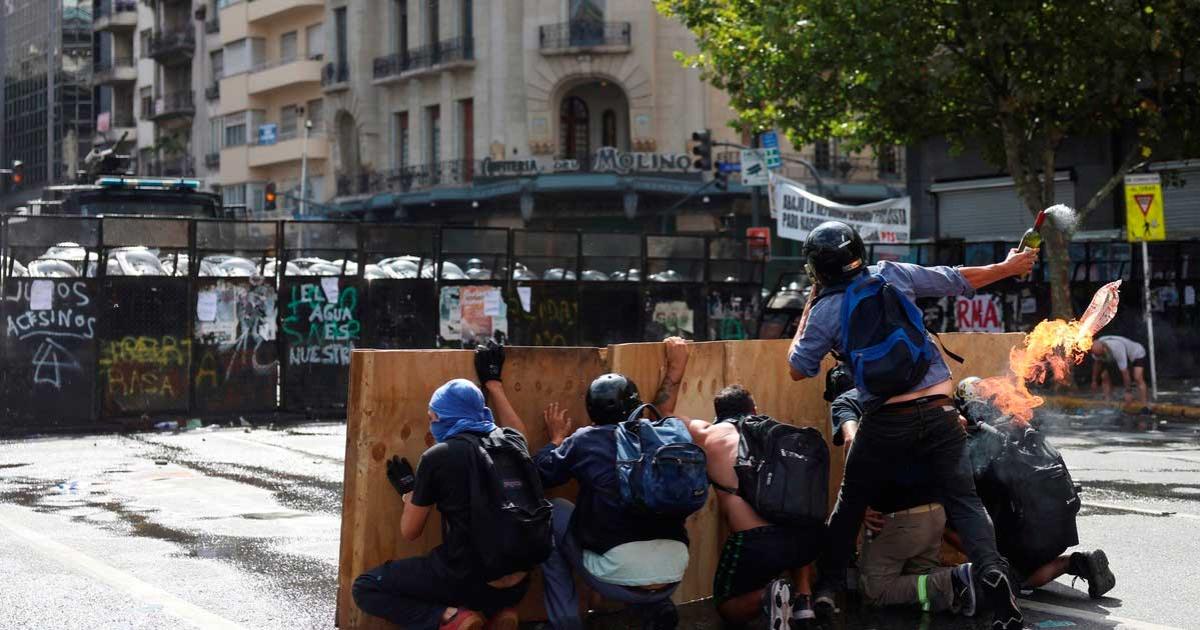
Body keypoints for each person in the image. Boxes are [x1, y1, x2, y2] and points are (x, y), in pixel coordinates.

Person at [787, 220, 1038, 630]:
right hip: (940, 409)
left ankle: (829, 588)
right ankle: (992, 574)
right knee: (965, 501)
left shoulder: (825, 309)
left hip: (886, 419)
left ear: (818, 269)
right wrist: (1008, 267)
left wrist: (808, 309)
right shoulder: (889, 273)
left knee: (850, 503)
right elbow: (955, 280)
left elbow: (798, 368)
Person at [491, 337, 693, 630]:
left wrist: (556, 441)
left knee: (551, 511)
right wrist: (674, 374)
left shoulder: (587, 440)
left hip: (617, 577)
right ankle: (656, 606)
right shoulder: (665, 433)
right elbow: (662, 408)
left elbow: (537, 475)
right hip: (674, 574)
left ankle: (566, 623)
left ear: (591, 411)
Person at [352, 341, 543, 630]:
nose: (432, 425)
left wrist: (410, 491)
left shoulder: (439, 456)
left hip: (467, 579)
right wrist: (493, 383)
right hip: (520, 581)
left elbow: (410, 532)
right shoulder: (513, 443)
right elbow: (518, 431)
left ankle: (452, 617)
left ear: (443, 417)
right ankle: (500, 611)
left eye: (433, 418)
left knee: (366, 587)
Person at [826, 369, 978, 617]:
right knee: (919, 581)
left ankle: (954, 579)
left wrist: (857, 504)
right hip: (935, 514)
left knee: (874, 590)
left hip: (898, 519)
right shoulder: (911, 393)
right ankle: (967, 580)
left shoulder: (847, 402)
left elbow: (851, 442)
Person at [953, 378, 1117, 600]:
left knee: (1019, 577)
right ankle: (1078, 562)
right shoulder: (1019, 424)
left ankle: (994, 565)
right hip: (1062, 528)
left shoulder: (977, 444)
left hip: (1029, 539)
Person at [680, 371, 822, 627]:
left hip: (755, 542)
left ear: (718, 413)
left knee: (726, 607)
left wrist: (674, 374)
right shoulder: (777, 433)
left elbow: (668, 417)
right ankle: (804, 601)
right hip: (805, 540)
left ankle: (771, 595)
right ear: (754, 409)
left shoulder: (709, 435)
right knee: (799, 519)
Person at [1090, 335, 1149, 410]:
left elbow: (1125, 373)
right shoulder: (1097, 349)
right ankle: (1107, 403)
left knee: (1137, 377)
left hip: (1136, 354)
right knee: (1104, 376)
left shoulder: (1117, 348)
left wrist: (1128, 392)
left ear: (1104, 349)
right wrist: (1094, 380)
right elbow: (1097, 364)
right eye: (1098, 355)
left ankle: (1145, 406)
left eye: (1101, 355)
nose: (1100, 356)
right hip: (1117, 356)